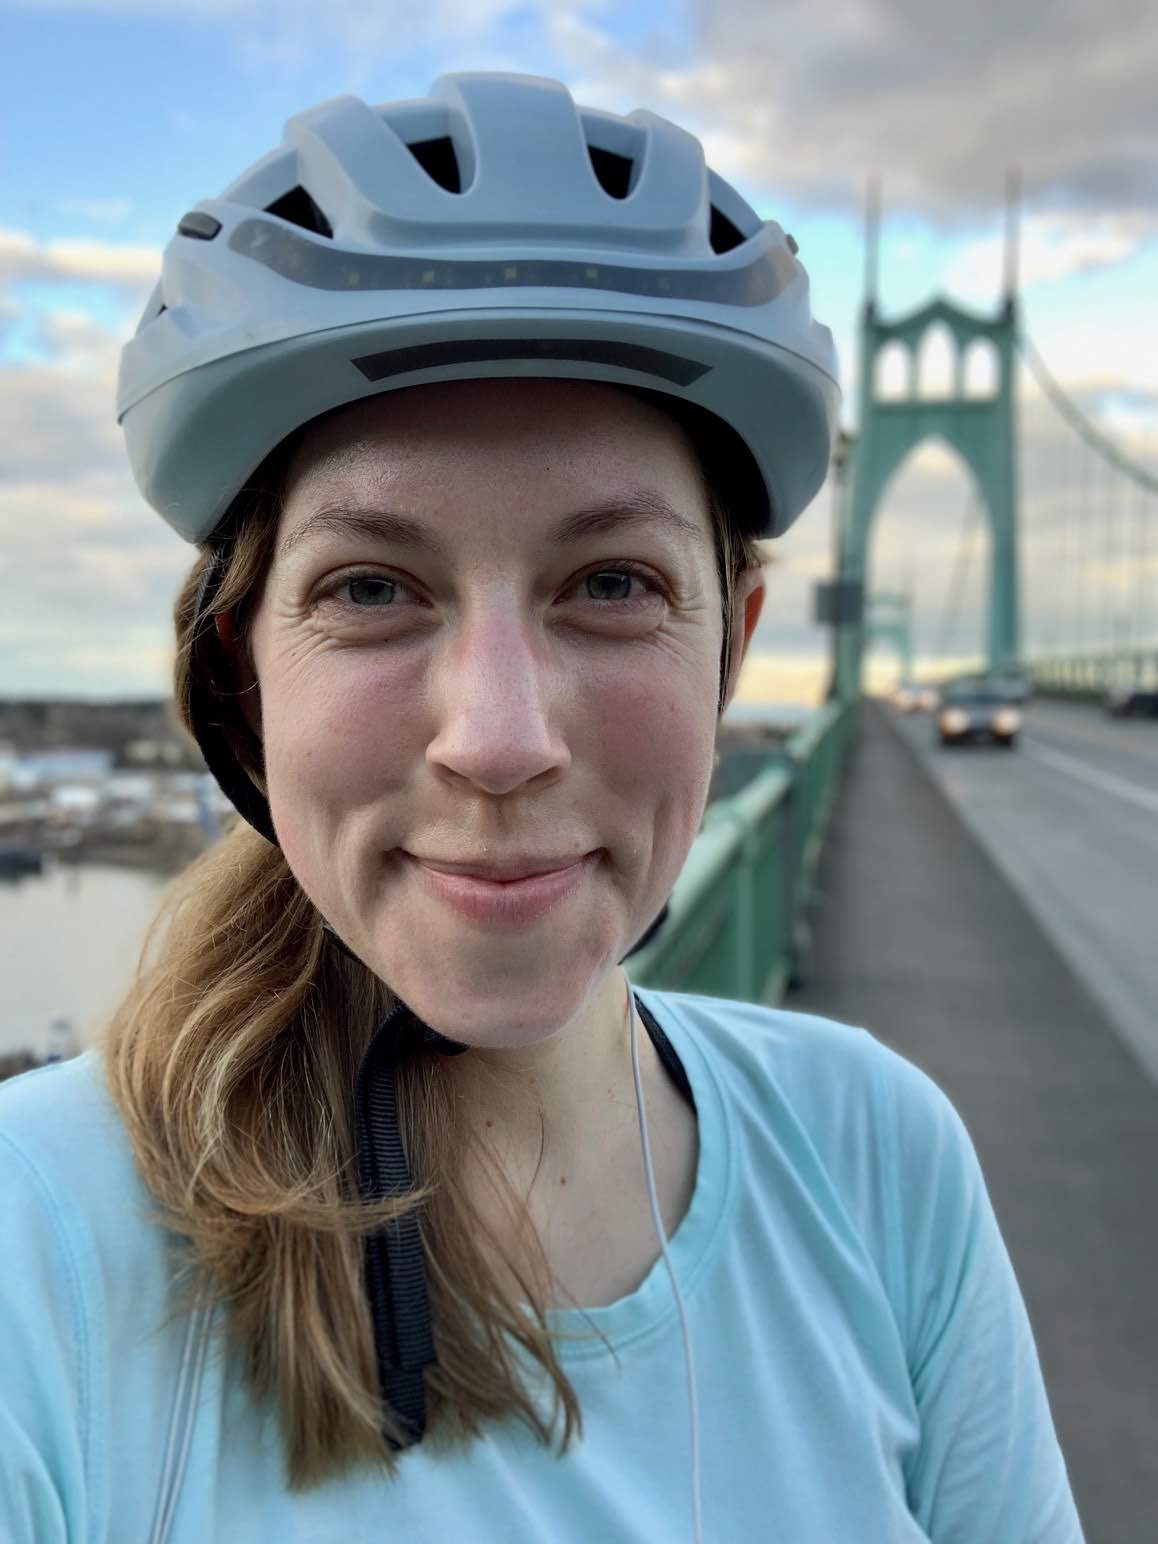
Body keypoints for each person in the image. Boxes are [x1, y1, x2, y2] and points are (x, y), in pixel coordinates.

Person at [0, 72, 1083, 1543]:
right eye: (371, 588)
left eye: (612, 584)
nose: (497, 740)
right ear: (239, 672)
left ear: (733, 648)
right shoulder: (32, 1252)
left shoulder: (880, 1159)